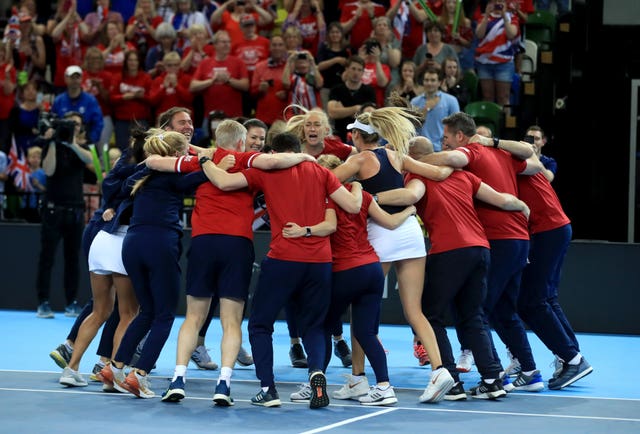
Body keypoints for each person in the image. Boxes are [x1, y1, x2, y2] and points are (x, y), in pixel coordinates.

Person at [151, 120, 316, 405]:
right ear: (241, 142)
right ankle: (224, 384)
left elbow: (154, 162)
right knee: (231, 321)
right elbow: (276, 160)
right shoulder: (245, 160)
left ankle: (178, 379)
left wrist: (198, 155)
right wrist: (304, 156)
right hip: (237, 245)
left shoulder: (201, 161)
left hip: (203, 243)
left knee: (193, 317)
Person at [200, 131, 364, 409]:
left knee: (260, 325)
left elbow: (223, 181)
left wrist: (205, 160)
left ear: (273, 154)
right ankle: (316, 374)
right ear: (298, 149)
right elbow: (352, 205)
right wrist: (357, 185)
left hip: (284, 258)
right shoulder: (321, 172)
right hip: (320, 261)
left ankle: (268, 389)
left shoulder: (265, 171)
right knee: (314, 325)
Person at [377, 136, 529, 399]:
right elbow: (503, 200)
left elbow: (411, 196)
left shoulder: (417, 176)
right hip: (481, 249)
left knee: (430, 315)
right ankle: (492, 380)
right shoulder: (464, 177)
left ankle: (450, 379)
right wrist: (523, 206)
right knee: (472, 315)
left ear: (411, 156)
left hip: (449, 251)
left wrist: (366, 195)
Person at [330, 107, 456, 403]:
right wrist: (457, 162)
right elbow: (438, 172)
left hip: (380, 233)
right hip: (411, 231)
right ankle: (439, 371)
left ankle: (360, 378)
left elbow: (322, 181)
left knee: (362, 309)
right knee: (414, 310)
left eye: (353, 133)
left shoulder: (359, 159)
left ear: (359, 136)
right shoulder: (396, 156)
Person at [420, 111, 546, 393]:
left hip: (495, 239)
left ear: (460, 137)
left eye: (446, 138)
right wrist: (522, 207)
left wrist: (408, 161)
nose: (444, 144)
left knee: (474, 311)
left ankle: (480, 374)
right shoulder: (495, 158)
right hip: (513, 239)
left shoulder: (468, 155)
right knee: (499, 310)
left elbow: (452, 159)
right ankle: (526, 370)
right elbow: (535, 165)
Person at [105, 130, 209, 399]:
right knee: (164, 314)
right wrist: (212, 156)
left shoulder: (140, 174)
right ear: (176, 155)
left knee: (147, 311)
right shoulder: (176, 176)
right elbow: (206, 170)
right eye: (184, 151)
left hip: (132, 244)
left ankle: (115, 368)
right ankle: (139, 375)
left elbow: (116, 184)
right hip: (159, 244)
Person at [58, 127, 143, 388]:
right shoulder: (149, 172)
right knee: (128, 313)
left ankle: (71, 369)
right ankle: (112, 377)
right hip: (122, 242)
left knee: (100, 310)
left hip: (101, 240)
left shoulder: (118, 173)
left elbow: (109, 187)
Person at [34, 111, 93, 319]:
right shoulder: (51, 146)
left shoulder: (82, 148)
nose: (72, 127)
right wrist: (52, 141)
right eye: (69, 124)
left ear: (81, 128)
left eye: (76, 125)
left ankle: (71, 303)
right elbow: (48, 170)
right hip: (53, 209)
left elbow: (91, 163)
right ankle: (43, 302)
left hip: (75, 210)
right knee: (47, 258)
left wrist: (72, 143)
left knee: (72, 259)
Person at [190, 30, 249, 126]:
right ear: (215, 44)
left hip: (234, 116)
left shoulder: (238, 62)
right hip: (211, 117)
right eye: (224, 42)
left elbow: (245, 85)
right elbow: (193, 86)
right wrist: (211, 81)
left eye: (229, 42)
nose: (227, 45)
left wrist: (229, 80)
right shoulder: (205, 63)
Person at [474, 0, 519, 107]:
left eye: (501, 2)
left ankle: (505, 123)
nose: (498, 4)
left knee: (503, 98)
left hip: (504, 64)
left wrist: (504, 17)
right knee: (487, 97)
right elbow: (479, 35)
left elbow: (511, 34)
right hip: (485, 63)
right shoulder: (483, 17)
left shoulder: (512, 17)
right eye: (495, 2)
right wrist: (486, 17)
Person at [50, 65, 104, 146]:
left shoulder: (90, 100)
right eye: (72, 77)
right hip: (63, 143)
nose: (75, 80)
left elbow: (98, 123)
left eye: (77, 77)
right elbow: (53, 121)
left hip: (85, 142)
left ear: (81, 79)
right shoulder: (59, 100)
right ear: (65, 79)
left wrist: (89, 140)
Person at [326, 55, 376, 141]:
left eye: (359, 70)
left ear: (363, 72)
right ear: (347, 69)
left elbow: (370, 116)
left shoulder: (369, 91)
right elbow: (332, 113)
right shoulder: (336, 89)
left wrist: (342, 110)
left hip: (363, 136)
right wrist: (356, 109)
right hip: (339, 134)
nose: (356, 72)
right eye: (353, 69)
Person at [410, 67, 460, 152]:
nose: (429, 83)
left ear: (439, 82)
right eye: (426, 80)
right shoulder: (414, 102)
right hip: (420, 150)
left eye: (433, 80)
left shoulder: (451, 100)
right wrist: (425, 110)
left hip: (442, 150)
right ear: (423, 82)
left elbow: (457, 126)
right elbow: (411, 127)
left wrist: (449, 147)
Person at [111, 50, 152, 151]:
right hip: (122, 121)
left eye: (135, 60)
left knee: (141, 150)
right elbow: (111, 98)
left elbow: (152, 99)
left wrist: (140, 97)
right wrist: (124, 97)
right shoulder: (118, 77)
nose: (133, 63)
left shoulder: (146, 77)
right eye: (130, 60)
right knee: (122, 150)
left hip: (140, 120)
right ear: (126, 62)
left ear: (139, 62)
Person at [285, 105, 356, 160]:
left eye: (317, 125)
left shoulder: (336, 147)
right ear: (303, 129)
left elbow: (362, 154)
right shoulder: (294, 151)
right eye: (308, 125)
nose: (312, 129)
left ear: (326, 130)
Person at [250, 35, 288, 126]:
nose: (277, 48)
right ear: (269, 48)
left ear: (285, 48)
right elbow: (252, 92)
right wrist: (259, 89)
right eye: (274, 45)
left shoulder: (290, 67)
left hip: (285, 117)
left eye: (280, 45)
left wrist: (288, 93)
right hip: (264, 117)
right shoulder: (260, 67)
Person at [316, 21, 350, 111]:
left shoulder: (347, 49)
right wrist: (336, 60)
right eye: (332, 32)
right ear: (328, 34)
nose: (335, 35)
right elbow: (319, 66)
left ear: (342, 34)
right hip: (326, 86)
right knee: (326, 114)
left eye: (337, 32)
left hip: (343, 87)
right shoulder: (323, 48)